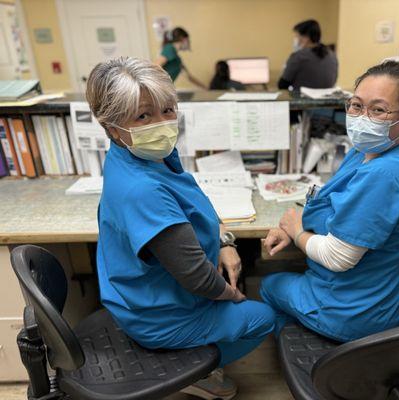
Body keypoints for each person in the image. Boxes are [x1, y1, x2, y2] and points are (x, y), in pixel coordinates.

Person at [87, 57, 275, 400]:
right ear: (112, 127)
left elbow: (196, 199)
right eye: (144, 115)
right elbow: (199, 280)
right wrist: (233, 296)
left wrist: (224, 242)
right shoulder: (143, 189)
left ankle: (195, 350)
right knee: (263, 316)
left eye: (168, 109)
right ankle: (194, 372)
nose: (162, 123)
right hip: (158, 317)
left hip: (144, 295)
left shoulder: (143, 155)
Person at [261, 61, 399, 342]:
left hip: (358, 311)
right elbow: (337, 201)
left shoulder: (385, 174)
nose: (362, 118)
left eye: (378, 110)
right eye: (356, 106)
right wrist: (291, 226)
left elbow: (338, 257)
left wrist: (298, 231)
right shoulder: (371, 150)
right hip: (373, 294)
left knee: (269, 283)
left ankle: (317, 358)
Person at [278, 19, 338, 90]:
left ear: (306, 37)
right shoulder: (332, 55)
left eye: (297, 36)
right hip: (326, 100)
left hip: (302, 100)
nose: (296, 39)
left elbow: (282, 85)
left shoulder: (298, 56)